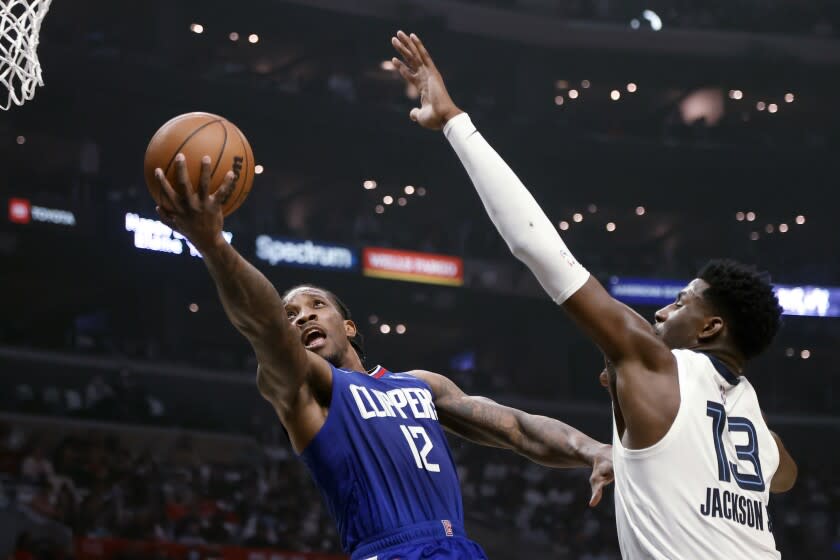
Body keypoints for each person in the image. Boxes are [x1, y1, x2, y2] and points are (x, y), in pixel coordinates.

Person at [391, 30, 798, 559]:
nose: (661, 308)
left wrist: (455, 123)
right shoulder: (757, 429)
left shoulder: (654, 363)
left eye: (681, 301)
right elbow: (784, 476)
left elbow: (538, 249)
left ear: (711, 327)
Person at [152, 156, 612, 560]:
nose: (301, 317)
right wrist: (215, 245)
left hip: (458, 549)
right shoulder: (309, 391)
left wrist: (595, 450)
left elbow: (517, 428)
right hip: (389, 550)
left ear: (348, 326)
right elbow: (266, 327)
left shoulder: (421, 385)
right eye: (292, 313)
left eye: (316, 306)